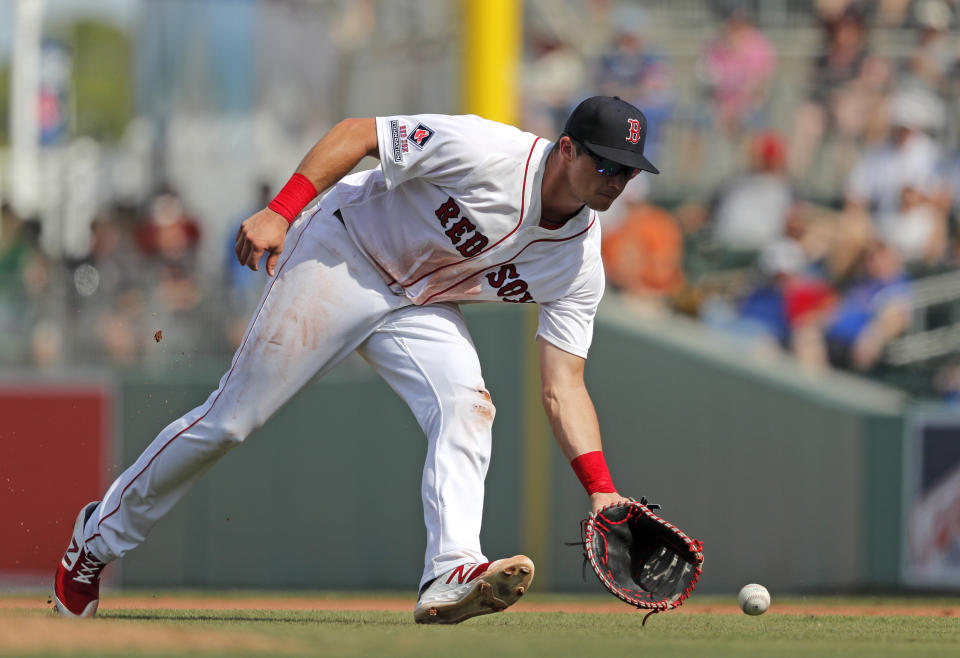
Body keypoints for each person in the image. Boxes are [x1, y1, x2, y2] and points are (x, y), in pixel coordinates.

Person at [53, 96, 656, 624]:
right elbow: (359, 134)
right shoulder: (489, 151)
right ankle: (95, 540)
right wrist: (281, 210)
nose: (616, 180)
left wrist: (601, 490)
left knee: (467, 405)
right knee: (232, 421)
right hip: (344, 253)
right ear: (567, 148)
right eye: (606, 163)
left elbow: (564, 386)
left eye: (628, 171)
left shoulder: (579, 264)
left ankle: (451, 569)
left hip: (418, 304)